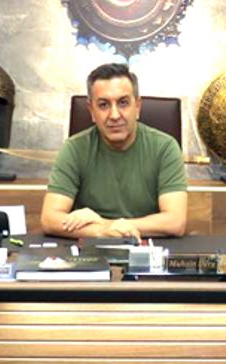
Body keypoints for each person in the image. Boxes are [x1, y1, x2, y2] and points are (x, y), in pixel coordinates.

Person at [40, 63, 187, 240]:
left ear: (137, 106)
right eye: (103, 105)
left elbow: (175, 222)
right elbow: (50, 219)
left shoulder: (165, 147)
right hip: (92, 249)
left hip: (146, 248)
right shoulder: (74, 148)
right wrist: (101, 232)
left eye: (123, 103)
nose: (115, 115)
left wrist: (104, 224)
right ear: (91, 111)